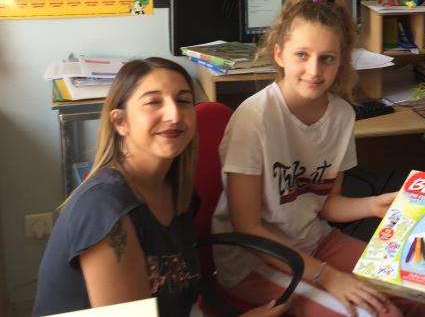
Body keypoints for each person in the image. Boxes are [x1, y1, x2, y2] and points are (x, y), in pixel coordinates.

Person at [211, 0, 425, 317]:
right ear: (279, 54)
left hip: (315, 241)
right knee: (377, 314)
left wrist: (374, 205)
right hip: (252, 261)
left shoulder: (342, 115)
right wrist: (326, 276)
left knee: (421, 288)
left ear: (340, 61)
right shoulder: (253, 118)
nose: (315, 71)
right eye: (302, 55)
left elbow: (328, 204)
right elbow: (248, 230)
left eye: (327, 58)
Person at [34, 58, 288, 317]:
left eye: (183, 100)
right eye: (154, 102)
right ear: (120, 122)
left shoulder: (179, 194)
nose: (174, 114)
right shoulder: (105, 209)